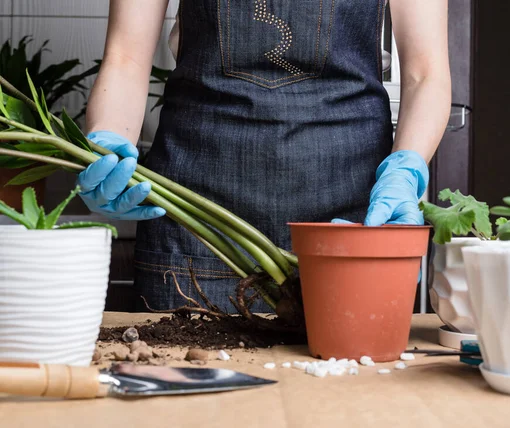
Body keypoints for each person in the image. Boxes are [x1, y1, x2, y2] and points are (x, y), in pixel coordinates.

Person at [78, 0, 451, 312]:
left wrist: (406, 168)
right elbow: (126, 57)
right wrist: (108, 144)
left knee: (349, 397)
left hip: (350, 222)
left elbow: (426, 72)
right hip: (194, 224)